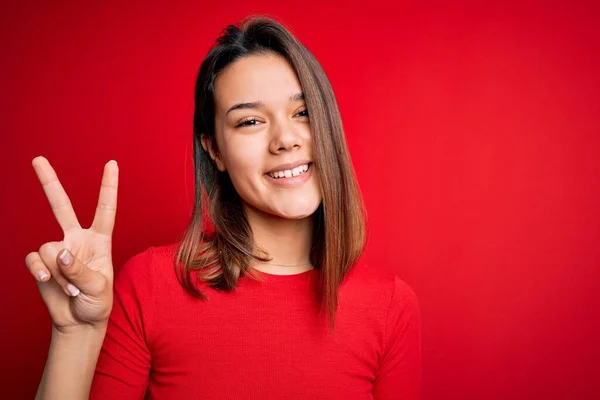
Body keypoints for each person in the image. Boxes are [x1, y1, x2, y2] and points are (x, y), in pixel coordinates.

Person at [27, 15, 421, 399]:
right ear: (214, 149)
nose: (285, 139)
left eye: (303, 113)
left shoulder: (389, 305)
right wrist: (74, 335)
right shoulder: (150, 287)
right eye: (250, 121)